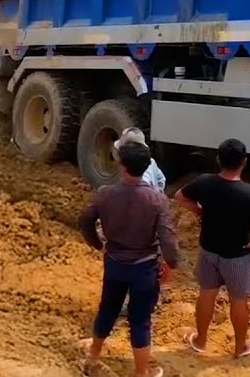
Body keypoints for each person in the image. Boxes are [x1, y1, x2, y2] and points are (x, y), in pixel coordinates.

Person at [79, 140, 179, 377]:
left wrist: (98, 243)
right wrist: (171, 264)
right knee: (141, 320)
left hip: (114, 263)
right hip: (144, 268)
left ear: (122, 166)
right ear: (146, 167)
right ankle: (141, 372)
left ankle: (92, 358)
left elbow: (84, 221)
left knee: (107, 310)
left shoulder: (105, 194)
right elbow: (168, 239)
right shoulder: (157, 200)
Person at [175, 139, 250, 358]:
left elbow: (179, 196)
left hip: (208, 250)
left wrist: (199, 211)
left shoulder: (204, 182)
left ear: (218, 160)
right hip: (238, 255)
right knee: (239, 301)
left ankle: (200, 341)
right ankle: (240, 347)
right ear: (244, 163)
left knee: (206, 294)